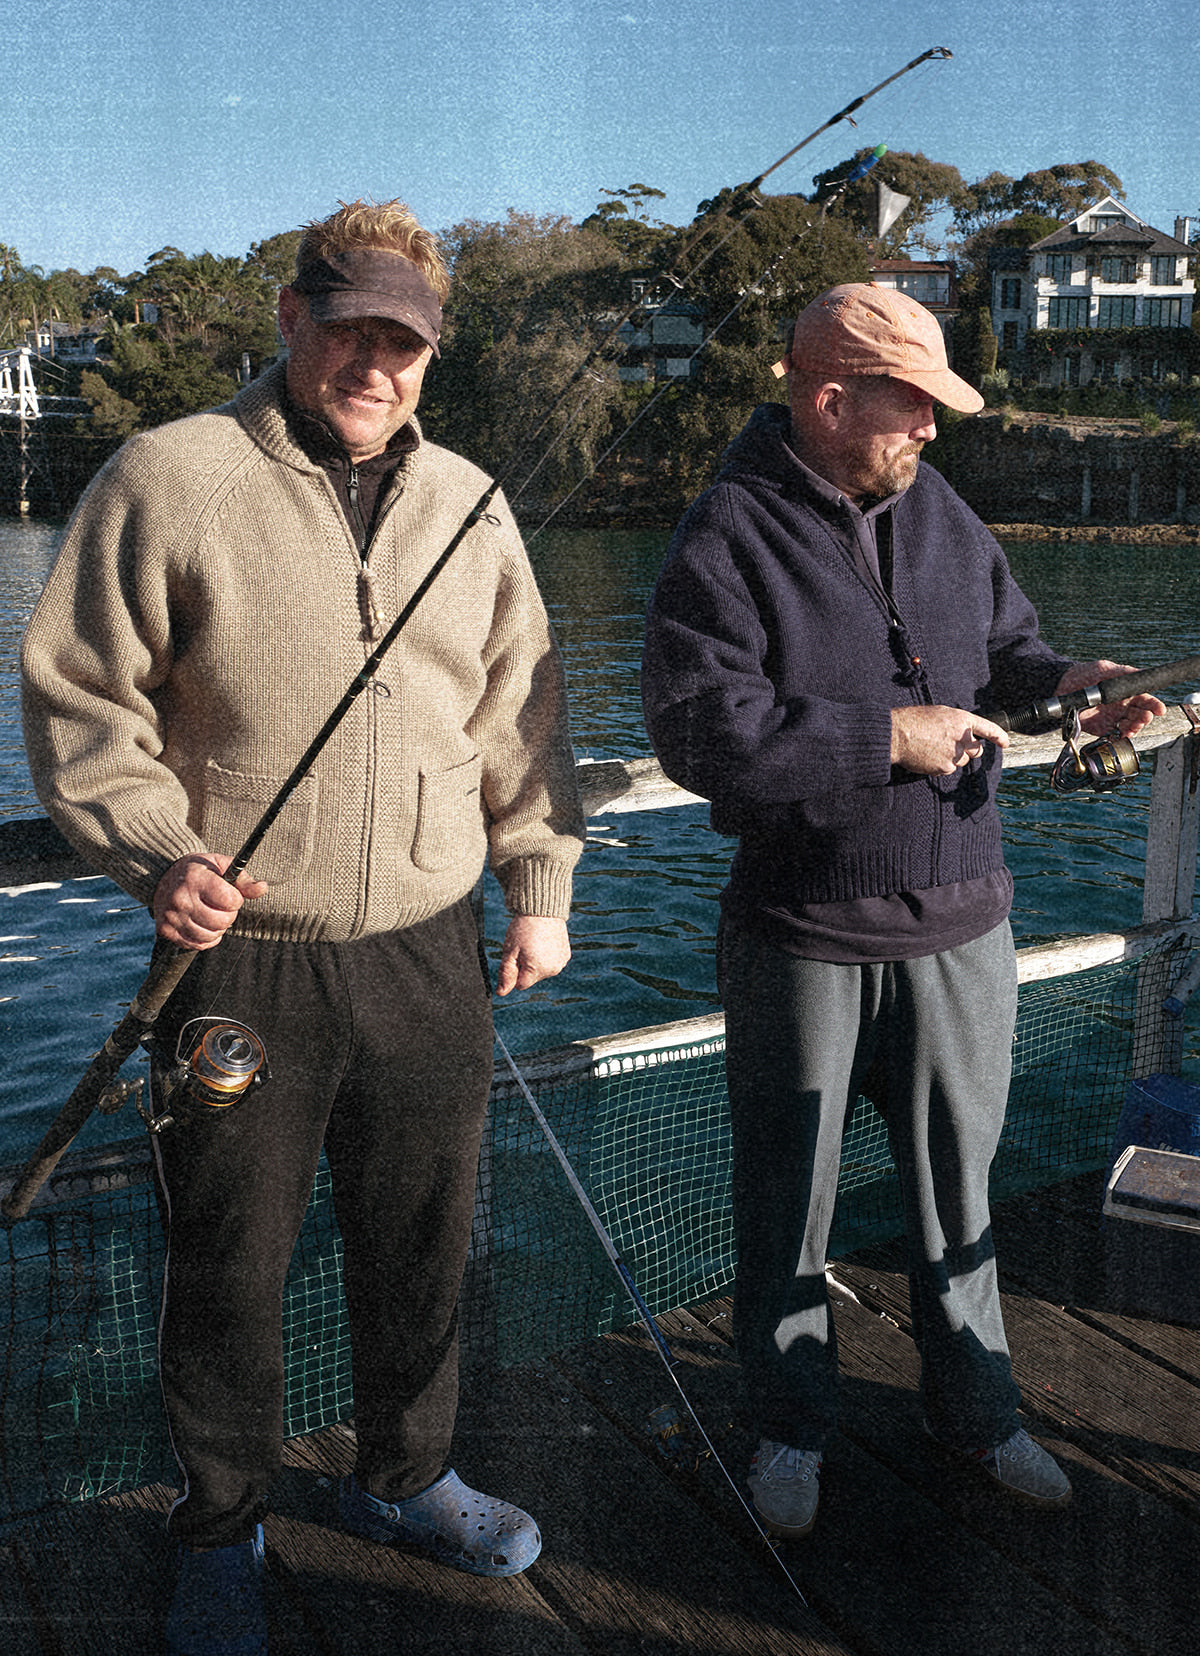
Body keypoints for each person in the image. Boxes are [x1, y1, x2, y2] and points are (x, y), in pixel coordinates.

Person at [21, 199, 585, 1653]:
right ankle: (222, 1528)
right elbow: (83, 695)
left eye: (404, 342)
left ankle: (409, 1478)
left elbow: (524, 714)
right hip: (239, 955)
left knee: (422, 1238)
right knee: (227, 1262)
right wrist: (153, 852)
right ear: (291, 318)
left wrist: (538, 886)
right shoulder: (170, 473)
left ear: (431, 355)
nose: (374, 364)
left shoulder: (474, 502)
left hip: (425, 944)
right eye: (351, 330)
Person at [640, 283, 1163, 1541]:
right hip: (800, 936)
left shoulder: (944, 512)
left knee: (961, 1193)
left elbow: (1009, 660)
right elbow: (701, 732)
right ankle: (789, 1422)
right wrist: (884, 739)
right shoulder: (725, 533)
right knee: (787, 1201)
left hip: (965, 923)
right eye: (914, 406)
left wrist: (1080, 687)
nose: (934, 430)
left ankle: (981, 1412)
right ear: (830, 401)